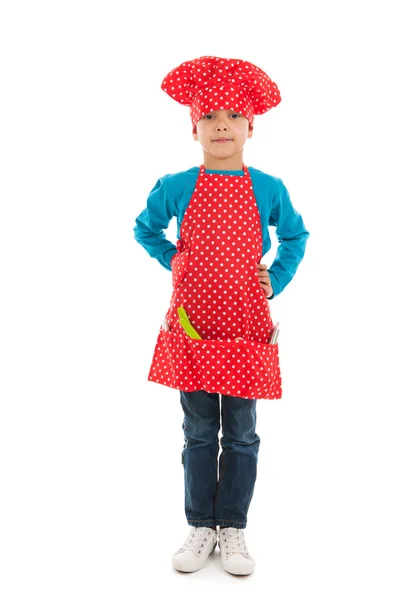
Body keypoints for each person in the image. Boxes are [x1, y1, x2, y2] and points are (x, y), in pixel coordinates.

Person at [133, 56, 309, 576]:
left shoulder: (269, 188)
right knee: (198, 432)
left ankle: (232, 526)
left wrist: (275, 278)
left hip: (245, 330)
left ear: (251, 125)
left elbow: (296, 237)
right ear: (194, 128)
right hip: (192, 326)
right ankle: (199, 525)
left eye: (233, 116)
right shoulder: (178, 185)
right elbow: (146, 229)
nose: (222, 125)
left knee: (241, 432)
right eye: (210, 116)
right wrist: (174, 259)